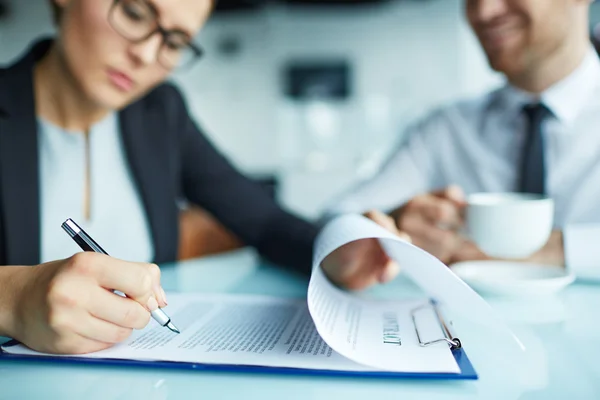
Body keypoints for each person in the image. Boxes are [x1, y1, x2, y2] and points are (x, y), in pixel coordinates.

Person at [0, 0, 402, 355]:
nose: (145, 53)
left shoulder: (160, 112)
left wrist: (336, 251)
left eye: (173, 42)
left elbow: (263, 221)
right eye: (134, 12)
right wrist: (13, 300)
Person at [328, 0, 600, 281]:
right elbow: (336, 221)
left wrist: (534, 251)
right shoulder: (445, 129)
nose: (483, 12)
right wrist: (390, 227)